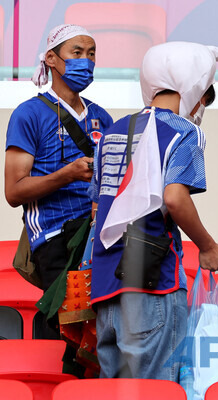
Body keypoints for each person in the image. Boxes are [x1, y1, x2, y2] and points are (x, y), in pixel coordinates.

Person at [90, 41, 218, 381]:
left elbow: (97, 209)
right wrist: (209, 246)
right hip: (153, 286)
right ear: (195, 85)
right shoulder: (184, 133)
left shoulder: (111, 133)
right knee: (156, 390)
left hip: (105, 288)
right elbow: (176, 198)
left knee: (116, 388)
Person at [4, 24, 112, 319]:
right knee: (72, 330)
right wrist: (68, 174)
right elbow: (13, 192)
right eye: (76, 52)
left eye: (91, 54)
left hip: (98, 238)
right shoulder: (29, 114)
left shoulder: (102, 116)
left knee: (103, 330)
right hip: (55, 238)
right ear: (51, 59)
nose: (86, 61)